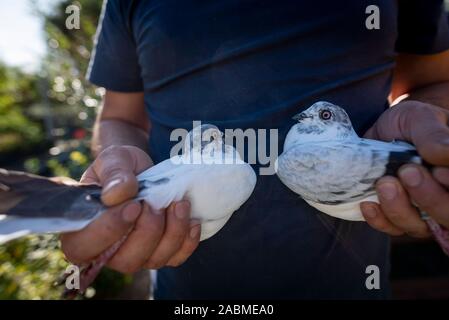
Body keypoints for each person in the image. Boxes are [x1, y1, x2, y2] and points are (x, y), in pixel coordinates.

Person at [60, 0, 449, 299]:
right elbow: (121, 117)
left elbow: (432, 81)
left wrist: (425, 129)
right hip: (187, 293)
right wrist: (118, 170)